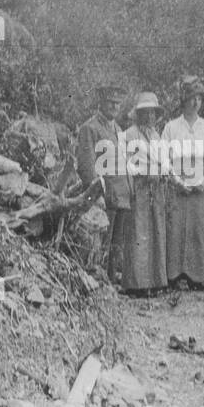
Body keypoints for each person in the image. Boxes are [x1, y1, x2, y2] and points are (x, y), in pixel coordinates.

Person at [162, 76, 204, 291]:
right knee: (176, 228)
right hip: (178, 188)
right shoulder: (171, 128)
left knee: (199, 229)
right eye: (191, 98)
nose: (195, 102)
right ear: (183, 100)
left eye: (199, 98)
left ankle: (197, 277)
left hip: (201, 188)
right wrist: (176, 181)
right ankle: (174, 274)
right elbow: (163, 158)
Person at [76, 84, 129, 283]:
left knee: (117, 242)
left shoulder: (119, 130)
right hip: (103, 196)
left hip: (121, 195)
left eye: (118, 103)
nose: (114, 107)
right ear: (101, 102)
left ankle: (112, 280)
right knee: (102, 242)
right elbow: (86, 166)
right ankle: (100, 281)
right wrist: (96, 193)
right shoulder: (90, 128)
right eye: (110, 102)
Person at [119, 92, 169, 295]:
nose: (149, 117)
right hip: (138, 188)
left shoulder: (156, 136)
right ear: (138, 114)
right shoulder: (129, 134)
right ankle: (137, 283)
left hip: (155, 190)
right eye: (145, 112)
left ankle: (155, 281)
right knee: (139, 232)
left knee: (156, 231)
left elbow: (165, 162)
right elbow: (126, 163)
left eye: (152, 113)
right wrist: (145, 171)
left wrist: (162, 171)